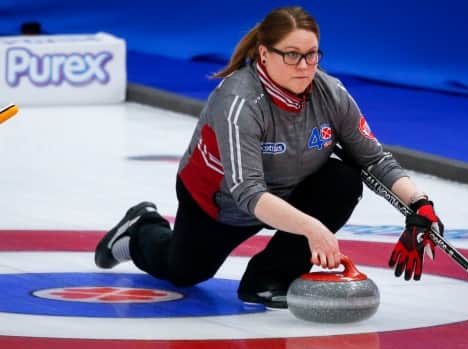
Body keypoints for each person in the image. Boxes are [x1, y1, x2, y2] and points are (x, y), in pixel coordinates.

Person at [94, 6, 444, 309]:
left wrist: (420, 203)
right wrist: (311, 228)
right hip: (220, 203)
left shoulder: (331, 93)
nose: (305, 65)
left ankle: (268, 278)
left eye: (312, 54)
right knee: (184, 272)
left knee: (344, 179)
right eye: (291, 54)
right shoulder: (239, 102)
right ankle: (141, 228)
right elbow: (247, 192)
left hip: (289, 189)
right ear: (264, 54)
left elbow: (375, 159)